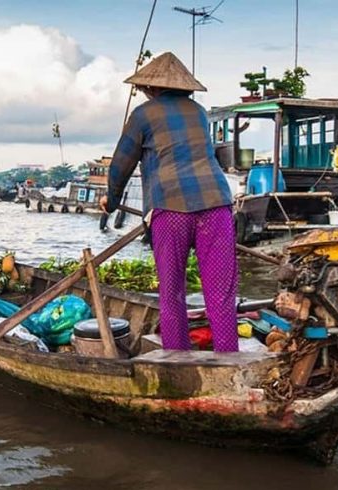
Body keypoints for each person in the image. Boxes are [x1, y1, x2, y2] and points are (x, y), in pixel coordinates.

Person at [99, 52, 238, 353]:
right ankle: (229, 357)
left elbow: (121, 163)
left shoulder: (142, 114)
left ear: (152, 88)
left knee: (172, 291)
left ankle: (177, 356)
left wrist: (110, 202)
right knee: (221, 292)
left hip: (171, 209)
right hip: (216, 205)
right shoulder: (199, 112)